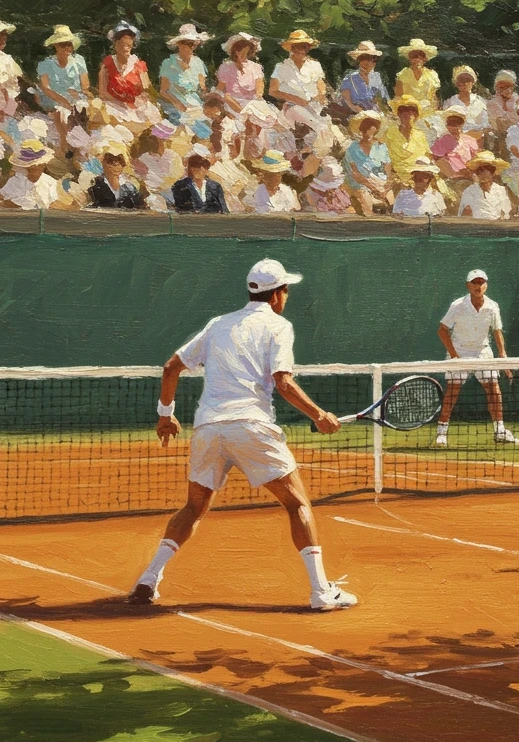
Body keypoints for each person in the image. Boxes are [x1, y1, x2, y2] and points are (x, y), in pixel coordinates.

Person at [126, 258, 356, 611]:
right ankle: (321, 593)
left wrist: (165, 416)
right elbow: (284, 382)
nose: (287, 296)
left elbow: (171, 367)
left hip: (209, 428)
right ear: (277, 295)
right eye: (286, 290)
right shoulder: (279, 327)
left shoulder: (218, 324)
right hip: (251, 425)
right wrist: (319, 415)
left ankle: (149, 578)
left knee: (194, 507)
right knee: (297, 504)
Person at [435, 269, 519, 446]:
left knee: (494, 390)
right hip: (459, 351)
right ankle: (441, 433)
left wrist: (503, 357)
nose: (478, 286)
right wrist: (454, 356)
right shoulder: (457, 305)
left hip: (483, 352)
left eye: (481, 282)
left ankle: (500, 431)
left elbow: (497, 332)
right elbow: (442, 330)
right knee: (453, 392)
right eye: (474, 283)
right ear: (468, 286)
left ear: (486, 285)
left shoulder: (493, 306)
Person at [36, 25, 91, 157]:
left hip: (75, 97)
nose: (67, 48)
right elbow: (46, 88)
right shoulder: (46, 64)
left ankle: (83, 149)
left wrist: (78, 94)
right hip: (54, 98)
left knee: (86, 110)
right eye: (63, 45)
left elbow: (85, 85)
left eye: (69, 45)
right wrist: (63, 100)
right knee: (61, 113)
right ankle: (64, 144)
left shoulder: (79, 61)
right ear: (56, 46)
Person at [98, 21, 161, 131]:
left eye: (129, 46)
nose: (126, 49)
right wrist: (122, 103)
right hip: (114, 104)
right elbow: (103, 92)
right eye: (122, 45)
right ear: (115, 44)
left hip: (136, 106)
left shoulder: (138, 65)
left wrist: (143, 98)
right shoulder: (107, 64)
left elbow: (148, 89)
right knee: (111, 121)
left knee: (152, 117)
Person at [269, 30, 327, 133]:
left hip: (315, 105)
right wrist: (295, 98)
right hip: (293, 106)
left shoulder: (315, 65)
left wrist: (321, 95)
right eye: (298, 47)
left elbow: (321, 86)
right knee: (320, 127)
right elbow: (272, 91)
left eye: (304, 47)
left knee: (327, 124)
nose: (301, 51)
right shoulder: (281, 67)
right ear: (292, 48)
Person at [158, 24, 212, 123]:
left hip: (194, 104)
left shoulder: (198, 62)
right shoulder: (168, 63)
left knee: (207, 123)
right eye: (189, 44)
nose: (192, 48)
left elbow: (202, 89)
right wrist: (178, 105)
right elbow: (163, 91)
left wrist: (210, 98)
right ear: (179, 44)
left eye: (195, 44)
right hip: (174, 104)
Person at [343, 111, 392, 215]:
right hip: (361, 183)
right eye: (365, 126)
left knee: (392, 201)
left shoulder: (381, 146)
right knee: (366, 203)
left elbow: (387, 167)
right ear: (361, 128)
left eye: (372, 125)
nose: (368, 129)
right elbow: (355, 174)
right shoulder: (353, 148)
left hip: (379, 180)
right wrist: (373, 188)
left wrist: (387, 184)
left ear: (377, 129)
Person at [1, 139, 62, 210]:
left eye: (34, 169)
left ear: (43, 166)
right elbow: (3, 201)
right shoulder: (14, 182)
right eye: (28, 169)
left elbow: (54, 204)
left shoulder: (50, 182)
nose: (29, 173)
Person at [384, 95, 430, 187]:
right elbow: (384, 159)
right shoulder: (389, 133)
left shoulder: (420, 135)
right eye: (403, 110)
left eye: (411, 111)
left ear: (416, 115)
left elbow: (428, 156)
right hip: (398, 178)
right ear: (398, 114)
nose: (407, 114)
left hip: (420, 176)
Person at [215, 32, 265, 115]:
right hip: (233, 103)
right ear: (234, 52)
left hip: (252, 102)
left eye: (246, 52)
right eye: (241, 52)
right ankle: (244, 114)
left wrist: (257, 97)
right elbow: (220, 88)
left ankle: (249, 114)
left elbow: (260, 86)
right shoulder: (226, 67)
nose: (243, 55)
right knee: (227, 97)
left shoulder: (255, 67)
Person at [172, 145, 229, 214]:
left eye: (200, 168)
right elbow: (180, 209)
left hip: (213, 221)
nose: (196, 170)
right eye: (194, 167)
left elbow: (223, 209)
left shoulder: (215, 186)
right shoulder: (180, 186)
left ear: (206, 169)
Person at [87, 143, 145, 209]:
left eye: (120, 163)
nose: (115, 167)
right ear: (104, 164)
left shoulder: (129, 187)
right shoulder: (96, 186)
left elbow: (140, 206)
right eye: (111, 163)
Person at [338, 41, 389, 114]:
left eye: (369, 58)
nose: (366, 62)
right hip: (356, 113)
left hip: (376, 113)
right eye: (362, 58)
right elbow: (346, 99)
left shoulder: (377, 77)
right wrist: (354, 107)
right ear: (358, 60)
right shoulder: (350, 78)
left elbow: (383, 100)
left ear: (374, 61)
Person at [459, 151, 513, 219]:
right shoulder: (469, 192)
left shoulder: (500, 190)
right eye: (480, 170)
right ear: (477, 173)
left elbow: (506, 213)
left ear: (493, 173)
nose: (483, 174)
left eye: (488, 170)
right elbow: (463, 216)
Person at [394, 39, 440, 117]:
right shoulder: (403, 74)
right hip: (408, 112)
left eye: (420, 56)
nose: (417, 59)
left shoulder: (432, 75)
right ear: (409, 58)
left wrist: (434, 110)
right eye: (414, 56)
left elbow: (434, 98)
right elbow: (398, 97)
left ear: (425, 59)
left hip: (427, 112)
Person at [442, 65, 489, 138]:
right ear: (456, 83)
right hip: (456, 137)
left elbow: (485, 125)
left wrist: (473, 135)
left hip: (477, 138)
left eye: (468, 80)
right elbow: (446, 124)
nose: (465, 83)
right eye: (461, 80)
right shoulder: (450, 102)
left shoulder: (480, 101)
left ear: (473, 82)